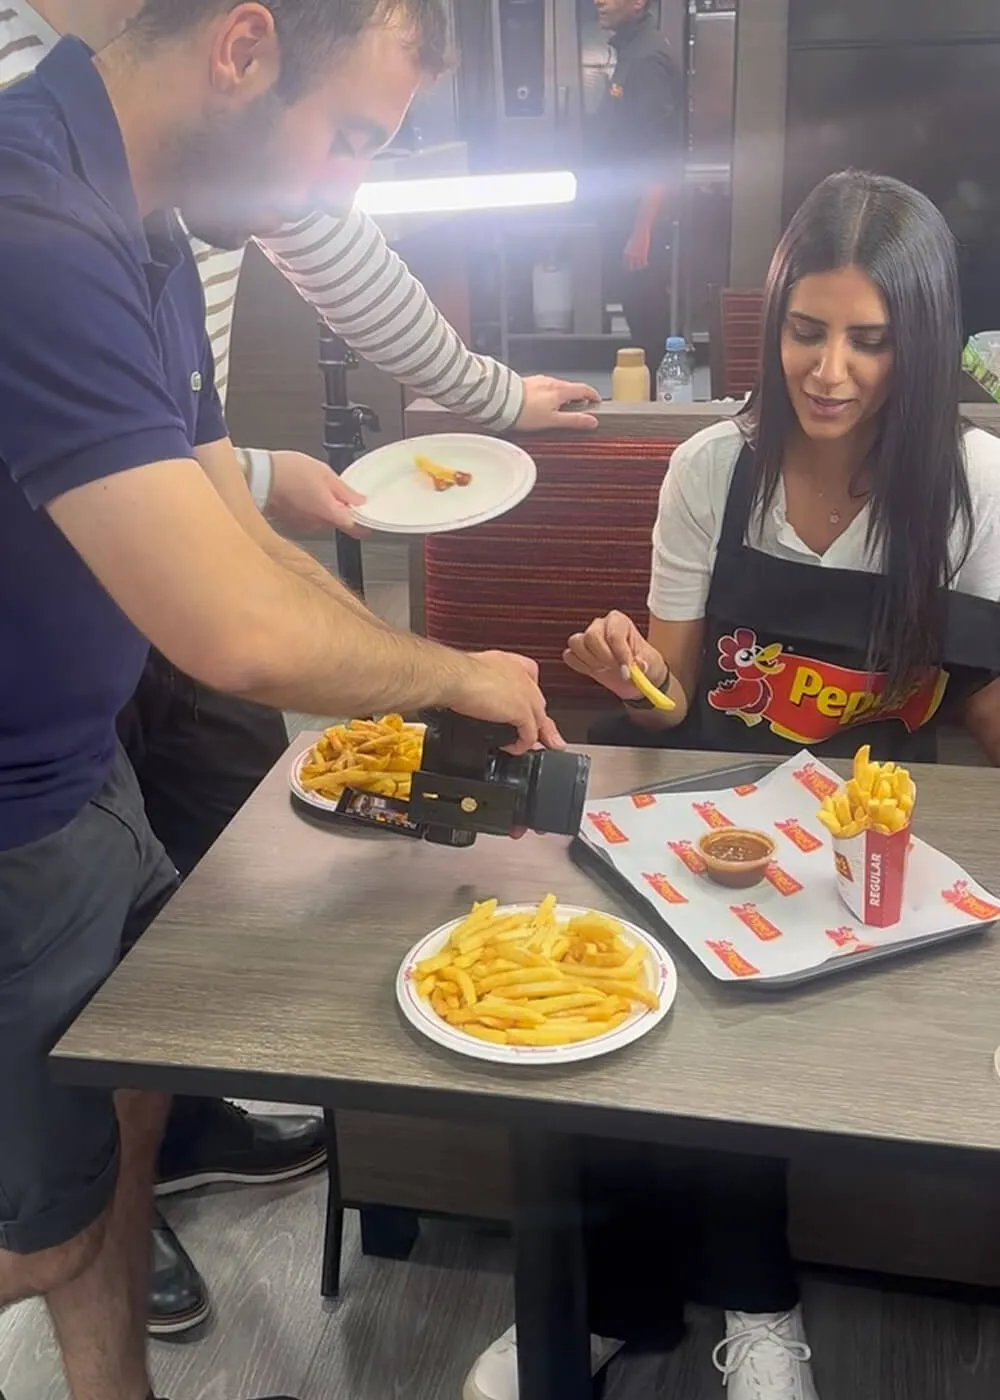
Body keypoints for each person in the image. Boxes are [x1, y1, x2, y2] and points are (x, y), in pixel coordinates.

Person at [0, 0, 602, 1341]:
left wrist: (451, 670)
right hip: (7, 823)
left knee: (131, 1108)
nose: (340, 189)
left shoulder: (148, 224)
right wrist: (445, 674)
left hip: (73, 764)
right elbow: (235, 632)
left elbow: (228, 518)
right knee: (31, 1240)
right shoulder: (29, 222)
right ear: (242, 48)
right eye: (346, 139)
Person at [466, 171, 1000, 1400]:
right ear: (772, 323)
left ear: (914, 343)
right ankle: (616, 1305)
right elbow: (675, 693)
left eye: (869, 340)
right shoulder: (715, 464)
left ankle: (758, 1305)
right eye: (806, 331)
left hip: (864, 840)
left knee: (766, 1017)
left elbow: (972, 696)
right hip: (705, 807)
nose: (830, 370)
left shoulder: (970, 485)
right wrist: (627, 670)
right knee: (626, 1006)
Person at [590, 0, 684, 397]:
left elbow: (659, 157)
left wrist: (641, 230)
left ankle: (657, 418)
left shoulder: (647, 59)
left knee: (648, 322)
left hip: (641, 219)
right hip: (624, 214)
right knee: (638, 315)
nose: (600, 1)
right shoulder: (630, 49)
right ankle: (646, 408)